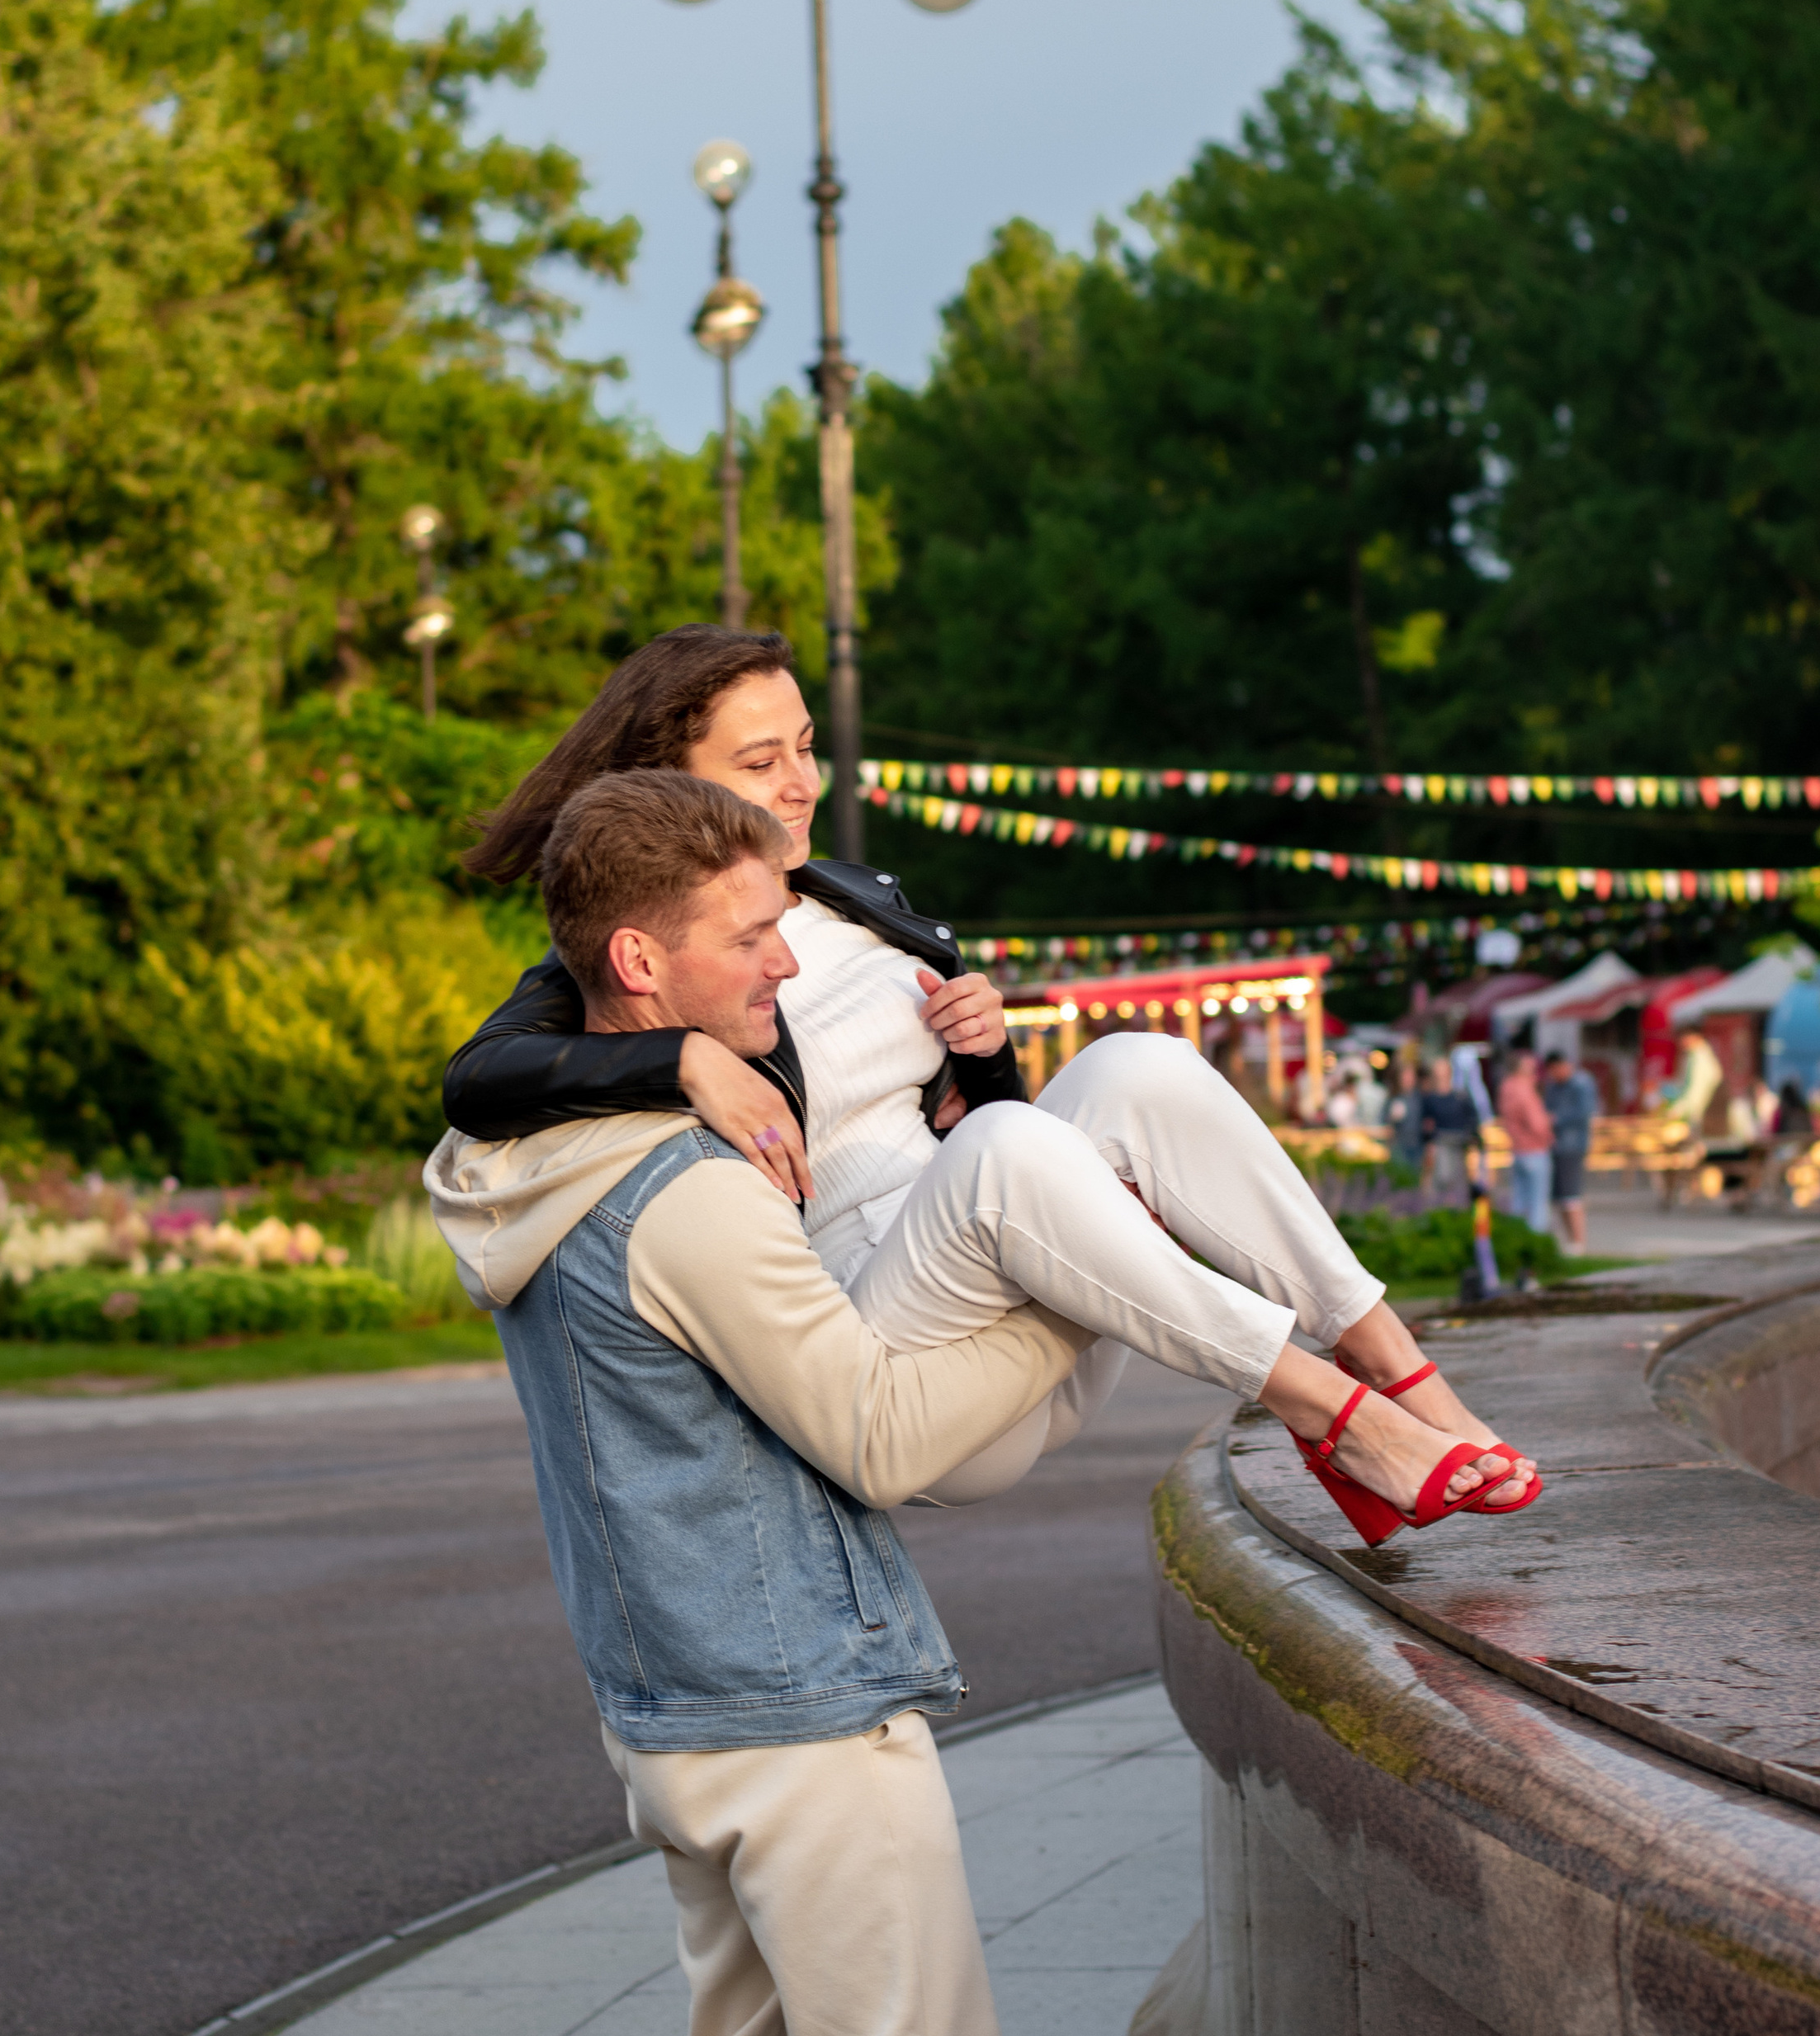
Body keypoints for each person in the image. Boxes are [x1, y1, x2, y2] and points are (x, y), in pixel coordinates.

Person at [429, 777, 1510, 2036]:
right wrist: (1069, 1289)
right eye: (749, 936)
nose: (784, 967)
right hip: (790, 1709)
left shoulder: (517, 1163)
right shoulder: (684, 1193)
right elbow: (877, 1434)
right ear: (638, 962)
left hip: (676, 1705)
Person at [442, 628, 1537, 1533]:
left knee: (1140, 1064)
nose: (802, 783)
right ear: (668, 780)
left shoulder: (860, 899)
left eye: (807, 748)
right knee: (1004, 1151)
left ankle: (1400, 1374)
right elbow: (480, 1079)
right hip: (898, 1343)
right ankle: (1333, 1417)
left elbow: (996, 1129)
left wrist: (987, 1054)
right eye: (760, 761)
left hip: (1013, 1268)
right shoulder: (656, 948)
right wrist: (679, 1056)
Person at [1543, 1048, 1600, 1251]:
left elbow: (1584, 1112)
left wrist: (1555, 1119)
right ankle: (1570, 1242)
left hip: (1572, 1145)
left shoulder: (1581, 1083)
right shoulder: (1553, 1086)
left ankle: (1578, 1242)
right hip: (1555, 1145)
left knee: (1571, 1195)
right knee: (1560, 1197)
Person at [1496, 1048, 1554, 1235]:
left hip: (1518, 1149)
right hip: (1534, 1149)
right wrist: (1548, 1130)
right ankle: (1535, 1243)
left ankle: (1517, 1239)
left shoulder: (1506, 1087)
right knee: (1538, 1204)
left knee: (1519, 1202)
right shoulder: (1523, 1089)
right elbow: (1536, 1123)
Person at [1416, 1053, 1481, 1207]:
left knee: (1459, 1182)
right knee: (1442, 1179)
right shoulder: (1430, 1099)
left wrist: (1472, 1138)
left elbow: (1472, 1119)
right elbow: (1425, 1124)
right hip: (1440, 1143)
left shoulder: (1460, 1096)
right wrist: (1429, 1142)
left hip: (1459, 1144)